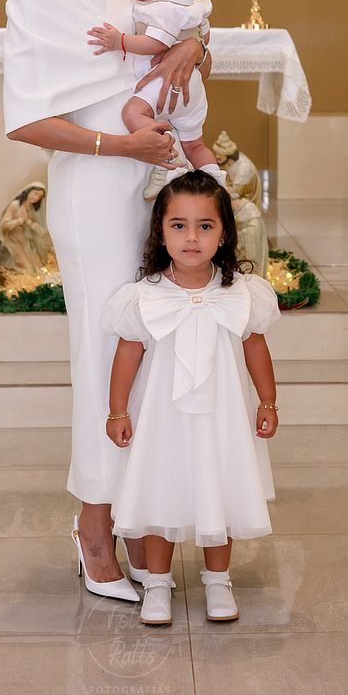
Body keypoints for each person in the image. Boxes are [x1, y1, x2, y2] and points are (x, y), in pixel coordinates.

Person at [4, 0, 211, 600]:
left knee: (148, 355)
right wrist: (121, 145)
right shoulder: (32, 0)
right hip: (93, 191)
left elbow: (178, 45)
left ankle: (135, 513)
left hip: (152, 189)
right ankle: (93, 526)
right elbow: (26, 120)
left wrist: (195, 44)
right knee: (102, 357)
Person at [104, 170, 280, 626]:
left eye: (205, 226)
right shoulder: (143, 297)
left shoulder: (242, 293)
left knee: (219, 487)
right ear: (160, 231)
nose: (191, 238)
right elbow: (128, 353)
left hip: (222, 416)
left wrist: (267, 402)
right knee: (161, 489)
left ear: (224, 234)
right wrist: (118, 410)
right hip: (162, 419)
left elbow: (255, 347)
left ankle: (218, 580)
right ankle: (157, 582)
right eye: (178, 225)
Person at [88, 0, 226, 199]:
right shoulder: (192, 4)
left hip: (166, 83)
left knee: (132, 114)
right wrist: (191, 43)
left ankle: (169, 164)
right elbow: (205, 37)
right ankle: (216, 182)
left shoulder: (163, 7)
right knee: (196, 145)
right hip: (193, 89)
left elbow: (156, 44)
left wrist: (119, 41)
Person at [0, 182, 53, 274]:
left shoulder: (31, 209)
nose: (36, 198)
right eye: (35, 193)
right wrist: (19, 221)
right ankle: (9, 272)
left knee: (39, 268)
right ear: (28, 191)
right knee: (28, 269)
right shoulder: (15, 205)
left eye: (39, 197)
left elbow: (41, 230)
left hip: (26, 242)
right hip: (13, 241)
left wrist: (29, 222)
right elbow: (4, 225)